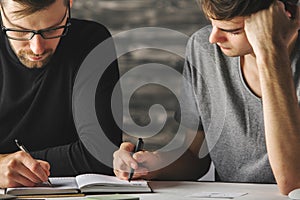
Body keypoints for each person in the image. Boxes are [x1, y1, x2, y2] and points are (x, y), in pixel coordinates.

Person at [113, 0, 300, 195]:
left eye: (233, 30)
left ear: (285, 17)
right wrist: (152, 165)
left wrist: (271, 52)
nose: (214, 38)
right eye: (212, 23)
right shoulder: (203, 49)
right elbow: (195, 156)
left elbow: (293, 183)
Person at [0, 0, 122, 188]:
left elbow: (101, 155)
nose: (37, 48)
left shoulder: (89, 40)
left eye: (52, 30)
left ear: (69, 3)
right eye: (20, 31)